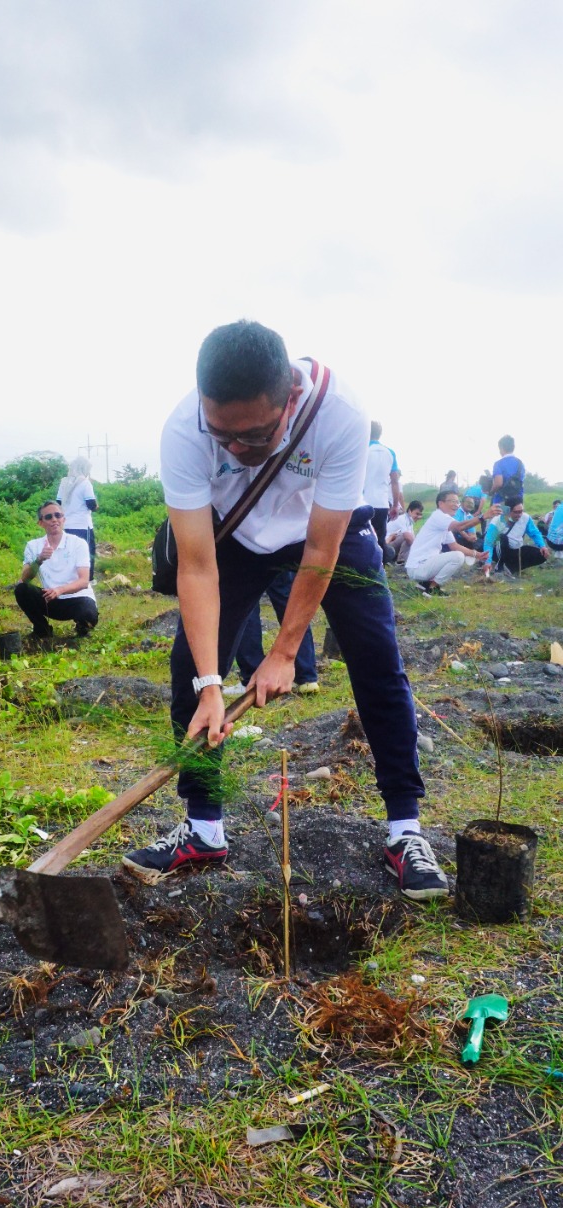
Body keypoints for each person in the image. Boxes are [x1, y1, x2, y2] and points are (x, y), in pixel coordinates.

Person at [123, 320, 448, 901]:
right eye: (221, 435)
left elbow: (321, 549)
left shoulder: (338, 412)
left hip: (325, 535)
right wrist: (210, 684)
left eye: (251, 436)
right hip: (238, 536)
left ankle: (405, 829)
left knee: (376, 658)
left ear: (290, 401)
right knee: (188, 668)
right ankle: (204, 828)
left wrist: (284, 653)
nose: (235, 450)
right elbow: (197, 567)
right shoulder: (182, 432)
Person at [14, 500, 98, 641]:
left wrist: (60, 590)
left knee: (88, 614)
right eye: (48, 517)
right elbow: (25, 578)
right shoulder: (33, 545)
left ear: (64, 519)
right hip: (50, 599)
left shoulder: (78, 543)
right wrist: (39, 560)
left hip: (77, 598)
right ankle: (42, 629)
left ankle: (82, 627)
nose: (54, 520)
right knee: (21, 589)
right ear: (41, 523)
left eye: (58, 515)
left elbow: (84, 581)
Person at [230, 569, 319, 695]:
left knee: (244, 600)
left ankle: (252, 679)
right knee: (287, 595)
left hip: (247, 551)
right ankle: (306, 677)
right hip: (280, 550)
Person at [405, 489, 489, 595]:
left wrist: (477, 554)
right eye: (452, 501)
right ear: (441, 503)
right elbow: (459, 526)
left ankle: (424, 585)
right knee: (458, 557)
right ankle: (433, 589)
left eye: (457, 502)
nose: (456, 505)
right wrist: (483, 517)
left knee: (456, 554)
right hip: (418, 567)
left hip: (420, 566)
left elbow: (454, 546)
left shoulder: (443, 521)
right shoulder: (439, 516)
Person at [363, 421, 402, 557]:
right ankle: (380, 569)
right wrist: (396, 505)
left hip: (362, 502)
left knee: (361, 537)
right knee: (380, 539)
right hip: (381, 503)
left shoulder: (361, 449)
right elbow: (395, 481)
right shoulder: (390, 452)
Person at [57, 457, 98, 581]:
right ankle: (87, 579)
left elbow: (58, 502)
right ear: (84, 468)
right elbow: (91, 504)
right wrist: (96, 506)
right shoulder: (85, 483)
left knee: (67, 552)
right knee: (86, 552)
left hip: (66, 525)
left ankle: (68, 578)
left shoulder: (64, 482)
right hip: (82, 525)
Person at [483, 501, 550, 575]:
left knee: (542, 555)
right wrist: (488, 562)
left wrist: (542, 546)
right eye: (516, 512)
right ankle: (501, 564)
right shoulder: (498, 520)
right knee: (503, 538)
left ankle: (512, 567)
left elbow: (534, 533)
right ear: (508, 511)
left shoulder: (526, 518)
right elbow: (489, 543)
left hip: (516, 549)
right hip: (500, 550)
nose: (519, 515)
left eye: (521, 511)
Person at [385, 501, 424, 565]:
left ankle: (400, 560)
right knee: (407, 537)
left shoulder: (409, 521)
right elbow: (408, 538)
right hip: (386, 545)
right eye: (417, 514)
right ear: (409, 511)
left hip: (392, 545)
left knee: (411, 538)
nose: (418, 517)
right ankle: (400, 562)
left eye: (420, 515)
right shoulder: (402, 519)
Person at [490, 436, 525, 506]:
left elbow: (498, 483)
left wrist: (491, 491)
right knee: (516, 516)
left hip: (502, 501)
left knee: (502, 517)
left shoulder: (498, 464)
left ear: (501, 448)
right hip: (518, 502)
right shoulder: (520, 463)